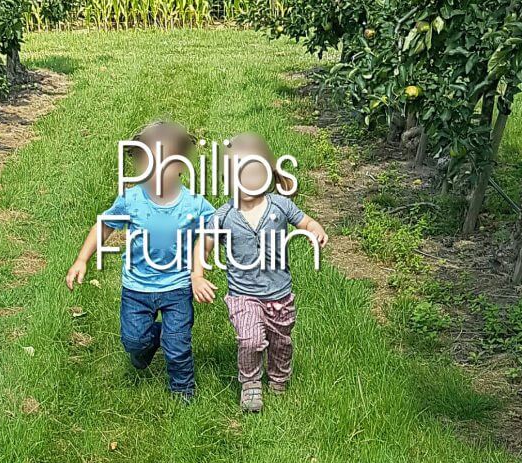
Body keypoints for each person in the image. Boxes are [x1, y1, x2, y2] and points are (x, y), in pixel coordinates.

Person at [66, 121, 214, 400]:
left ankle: (183, 389)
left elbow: (216, 227)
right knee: (134, 341)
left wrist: (199, 269)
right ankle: (149, 341)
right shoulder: (131, 200)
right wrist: (82, 259)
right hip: (137, 289)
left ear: (182, 165)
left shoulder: (193, 203)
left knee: (178, 344)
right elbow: (104, 226)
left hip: (177, 287)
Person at [191, 132, 328, 412]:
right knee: (250, 339)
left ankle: (278, 379)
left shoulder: (280, 205)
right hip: (243, 295)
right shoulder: (223, 216)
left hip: (280, 293)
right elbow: (202, 245)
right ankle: (250, 384)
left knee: (280, 342)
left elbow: (306, 221)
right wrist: (197, 275)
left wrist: (316, 230)